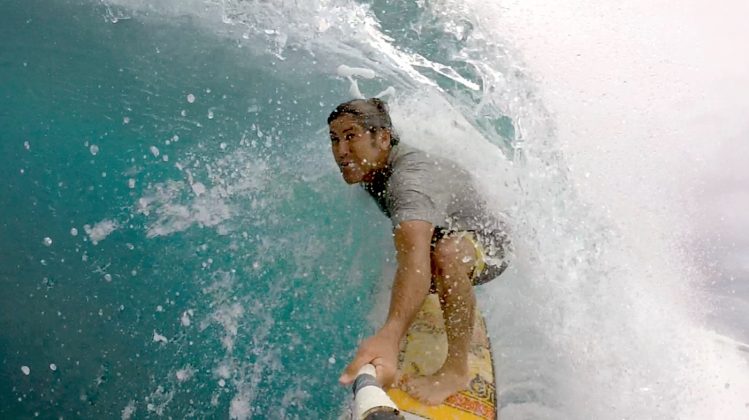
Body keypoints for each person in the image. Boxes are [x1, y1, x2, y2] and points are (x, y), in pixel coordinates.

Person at [329, 98, 509, 406]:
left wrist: (391, 334)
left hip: (488, 241)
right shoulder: (372, 166)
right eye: (335, 140)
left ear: (383, 138)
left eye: (351, 136)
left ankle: (455, 371)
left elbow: (413, 256)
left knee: (446, 255)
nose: (341, 151)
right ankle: (432, 283)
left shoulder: (409, 181)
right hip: (444, 228)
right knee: (428, 251)